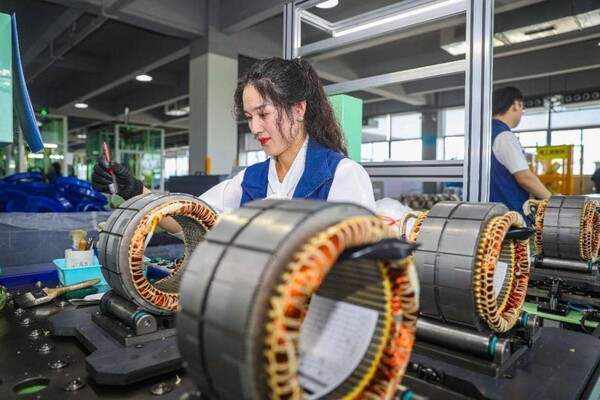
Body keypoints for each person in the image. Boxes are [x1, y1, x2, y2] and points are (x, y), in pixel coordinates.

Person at [92, 57, 376, 235]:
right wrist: (134, 190)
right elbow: (186, 220)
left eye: (263, 114)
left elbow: (358, 271)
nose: (254, 128)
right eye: (249, 118)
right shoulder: (249, 181)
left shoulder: (341, 176)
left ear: (298, 109)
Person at [491, 86, 551, 218]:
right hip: (509, 218)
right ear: (515, 105)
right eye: (522, 108)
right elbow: (525, 179)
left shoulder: (483, 133)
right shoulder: (504, 136)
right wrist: (554, 202)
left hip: (486, 215)